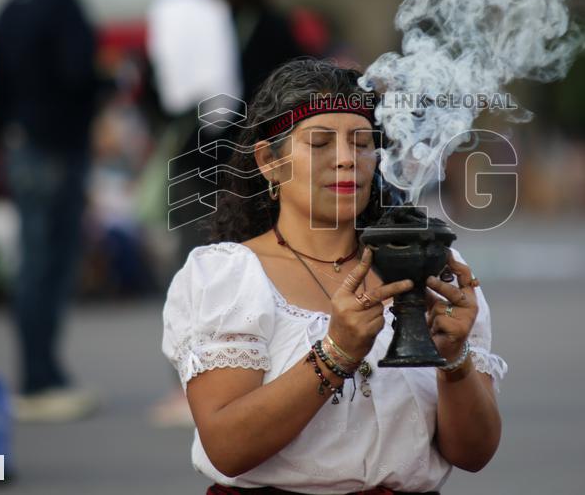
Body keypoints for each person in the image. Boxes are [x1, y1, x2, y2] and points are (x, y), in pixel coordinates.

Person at [161, 57, 506, 493]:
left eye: (361, 143)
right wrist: (336, 353)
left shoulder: (432, 269)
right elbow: (227, 448)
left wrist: (455, 358)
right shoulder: (228, 276)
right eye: (320, 143)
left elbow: (474, 454)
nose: (346, 160)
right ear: (270, 160)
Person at [145, 0, 304, 427]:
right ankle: (265, 372)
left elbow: (153, 87)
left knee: (196, 267)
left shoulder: (186, 19)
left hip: (195, 159)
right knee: (261, 266)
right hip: (259, 164)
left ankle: (190, 385)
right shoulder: (276, 24)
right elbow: (295, 89)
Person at [0, 0, 103, 422]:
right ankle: (41, 376)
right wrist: (104, 80)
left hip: (21, 144)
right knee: (51, 265)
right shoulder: (66, 7)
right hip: (59, 147)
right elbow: (78, 73)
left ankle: (36, 371)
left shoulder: (11, 8)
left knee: (32, 264)